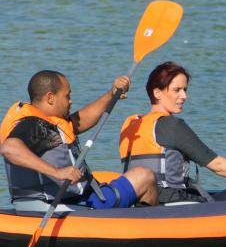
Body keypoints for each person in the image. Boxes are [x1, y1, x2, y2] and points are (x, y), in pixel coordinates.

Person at [119, 61, 226, 204]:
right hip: (171, 202)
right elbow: (217, 165)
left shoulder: (130, 124)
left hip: (138, 201)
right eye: (177, 90)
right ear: (157, 93)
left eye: (185, 90)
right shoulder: (171, 125)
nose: (184, 96)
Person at [0, 70, 158, 209]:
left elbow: (80, 120)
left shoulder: (49, 123)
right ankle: (148, 234)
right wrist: (57, 172)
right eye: (67, 96)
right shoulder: (34, 125)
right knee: (145, 176)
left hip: (69, 200)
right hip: (71, 204)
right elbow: (9, 148)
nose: (70, 101)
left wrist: (112, 94)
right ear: (50, 98)